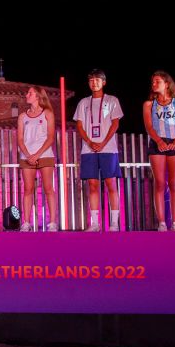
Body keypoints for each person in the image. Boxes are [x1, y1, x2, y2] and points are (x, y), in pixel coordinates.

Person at [73, 69, 124, 232]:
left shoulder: (112, 100)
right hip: (88, 150)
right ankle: (95, 223)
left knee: (111, 184)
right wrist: (89, 141)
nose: (94, 82)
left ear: (104, 82)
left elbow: (115, 124)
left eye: (97, 80)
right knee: (92, 185)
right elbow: (79, 126)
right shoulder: (83, 103)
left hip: (108, 148)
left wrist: (102, 142)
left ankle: (114, 223)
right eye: (91, 80)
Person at [143, 71, 175, 232]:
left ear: (167, 83)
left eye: (157, 81)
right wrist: (159, 141)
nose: (154, 84)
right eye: (153, 81)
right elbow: (149, 126)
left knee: (174, 183)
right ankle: (161, 223)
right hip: (157, 143)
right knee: (160, 183)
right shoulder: (149, 104)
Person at [17, 86, 58, 232]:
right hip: (27, 157)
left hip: (45, 155)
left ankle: (52, 222)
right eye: (27, 92)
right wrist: (29, 156)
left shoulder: (47, 113)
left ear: (38, 96)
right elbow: (20, 139)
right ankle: (26, 222)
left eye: (30, 93)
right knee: (28, 189)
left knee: (48, 188)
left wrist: (37, 154)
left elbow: (50, 137)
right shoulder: (22, 116)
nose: (27, 95)